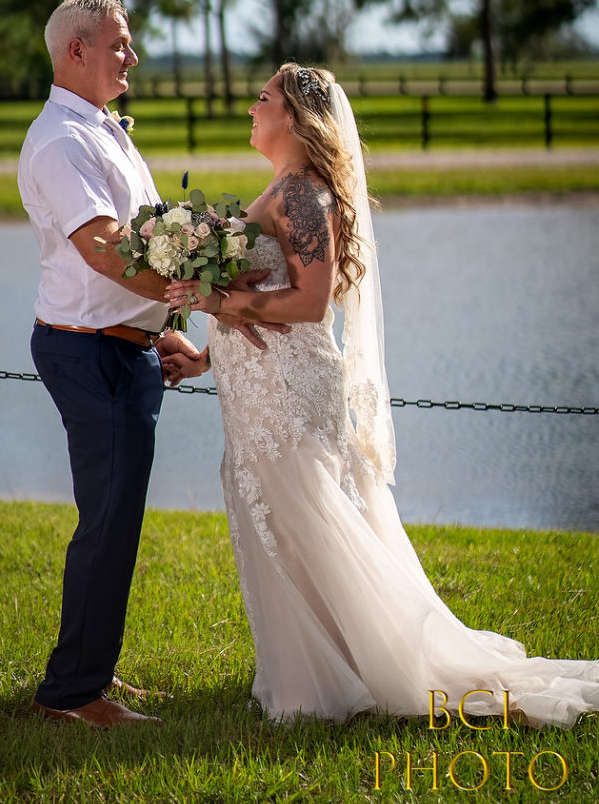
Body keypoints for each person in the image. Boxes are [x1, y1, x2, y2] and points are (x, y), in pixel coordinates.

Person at [167, 62, 599, 728]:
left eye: (264, 98)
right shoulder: (282, 189)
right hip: (261, 388)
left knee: (308, 517)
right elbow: (267, 302)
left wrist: (212, 296)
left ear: (296, 118)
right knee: (286, 524)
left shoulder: (304, 197)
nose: (252, 107)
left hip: (289, 392)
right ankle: (319, 666)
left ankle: (347, 678)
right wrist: (203, 353)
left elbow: (308, 303)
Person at [18, 0, 241, 728]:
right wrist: (203, 296)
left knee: (118, 520)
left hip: (125, 349)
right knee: (107, 520)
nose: (132, 57)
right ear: (75, 51)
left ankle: (93, 672)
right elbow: (105, 247)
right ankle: (72, 695)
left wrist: (162, 325)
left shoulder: (100, 129)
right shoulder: (61, 141)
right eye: (119, 44)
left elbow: (140, 243)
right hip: (89, 354)